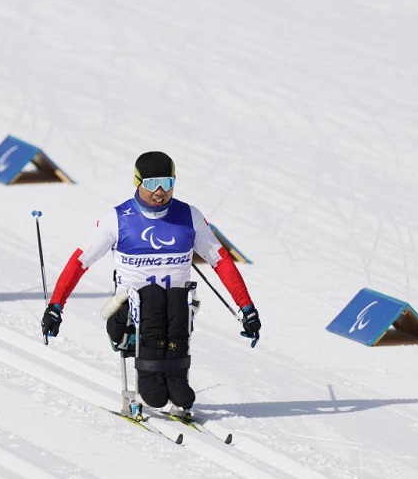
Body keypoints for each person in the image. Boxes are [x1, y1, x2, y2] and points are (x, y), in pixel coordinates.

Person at [41, 151, 261, 412]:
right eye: (151, 183)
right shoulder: (117, 218)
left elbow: (221, 261)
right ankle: (150, 380)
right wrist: (56, 306)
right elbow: (79, 263)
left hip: (176, 313)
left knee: (179, 297)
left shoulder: (188, 216)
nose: (159, 192)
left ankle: (175, 380)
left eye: (167, 183)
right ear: (137, 182)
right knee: (154, 296)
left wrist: (246, 308)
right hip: (128, 317)